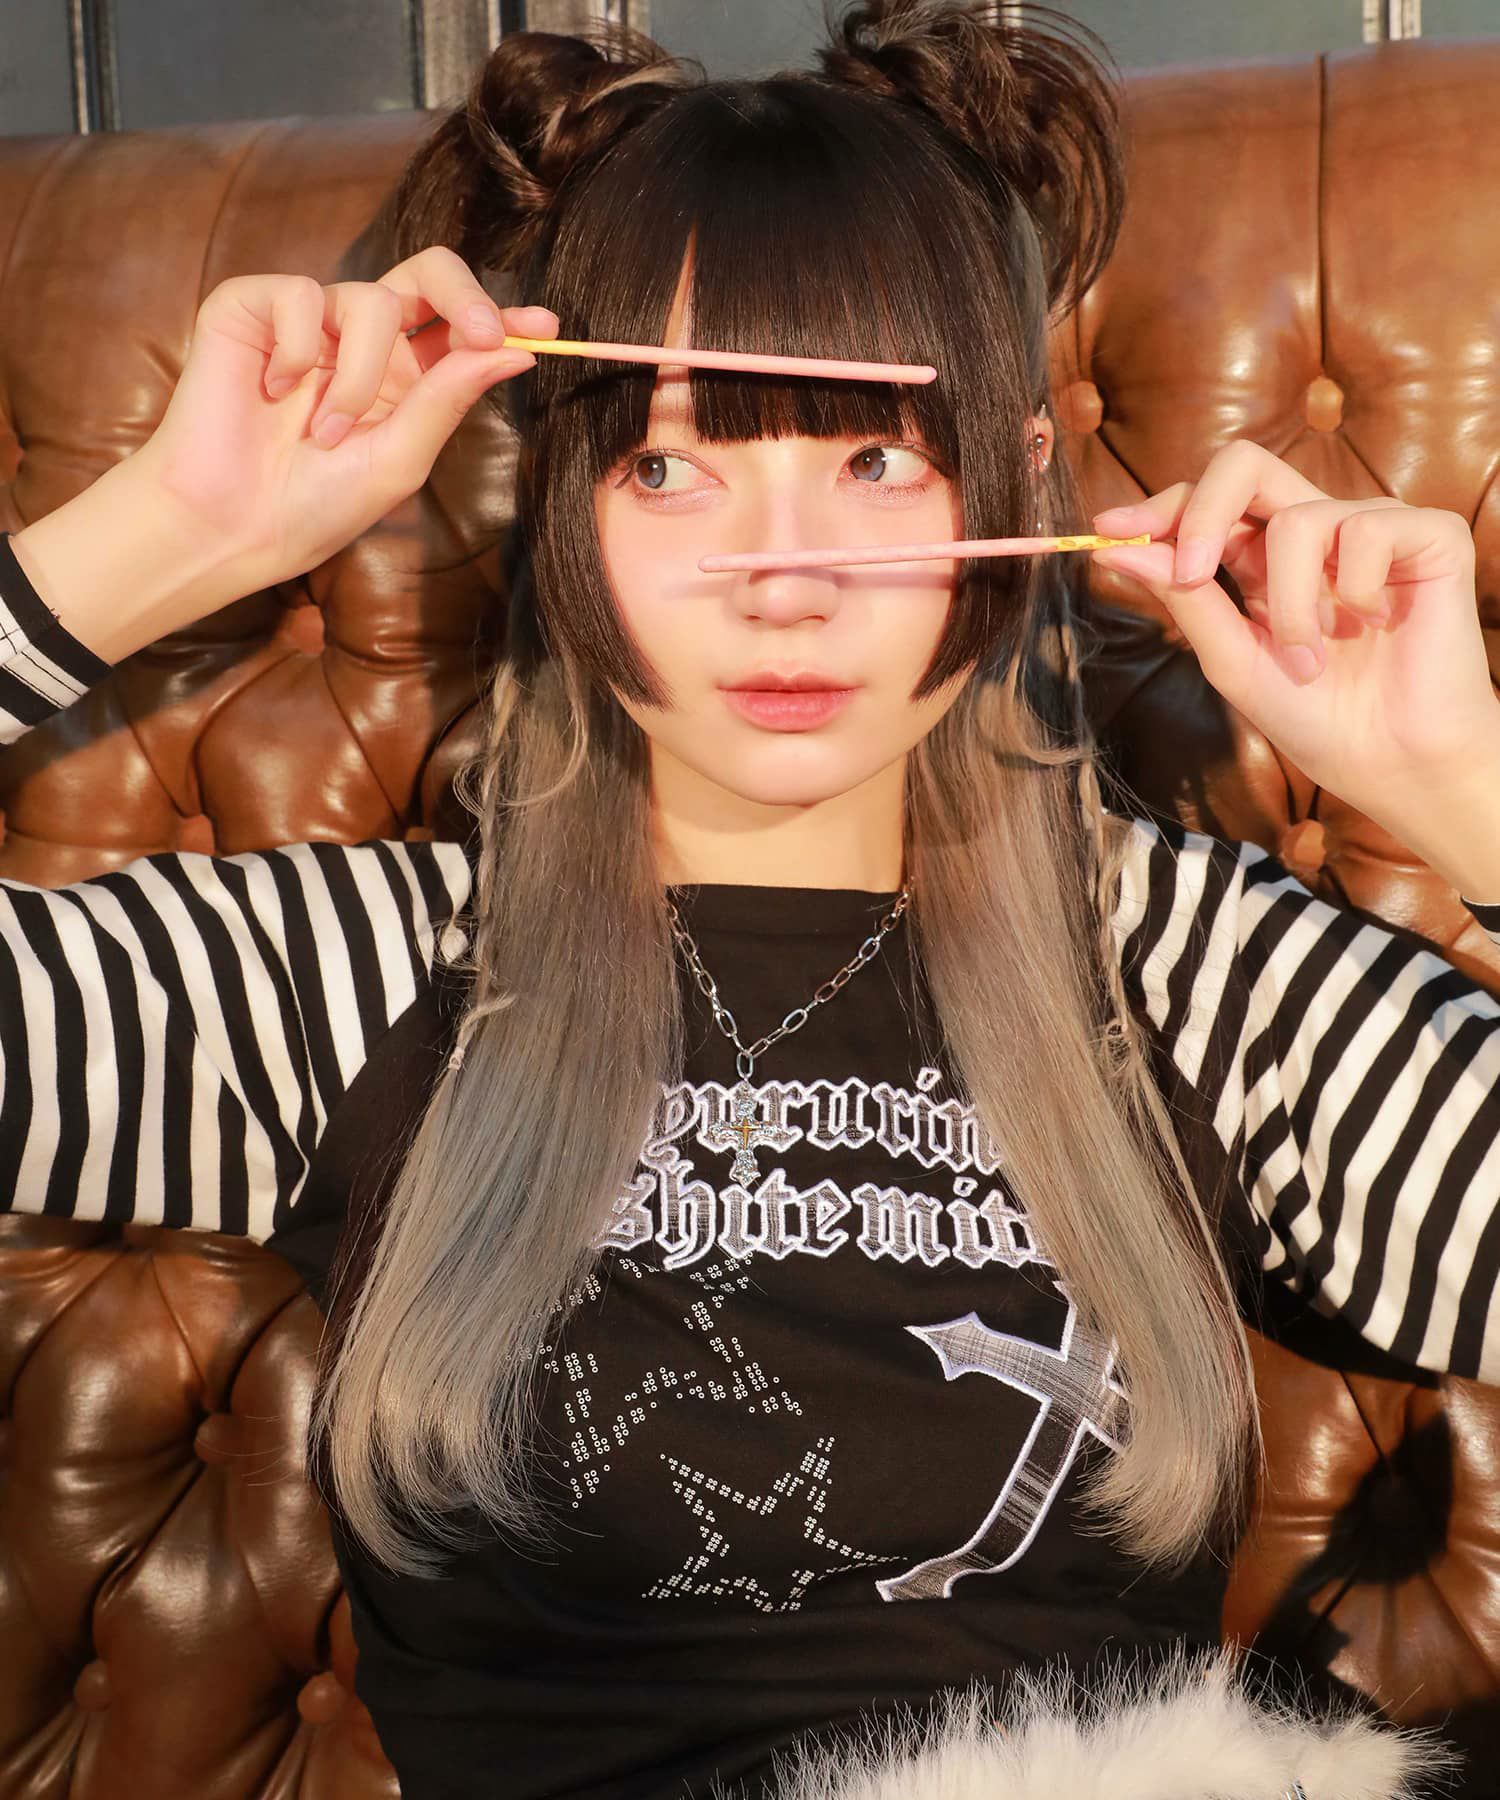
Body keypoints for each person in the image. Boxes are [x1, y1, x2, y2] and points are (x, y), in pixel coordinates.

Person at [1, 2, 1495, 1795]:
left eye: (877, 461)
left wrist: (1462, 789)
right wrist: (166, 537)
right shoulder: (367, 972)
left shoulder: (1189, 965)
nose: (784, 581)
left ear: (1021, 479)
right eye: (670, 466)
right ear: (563, 509)